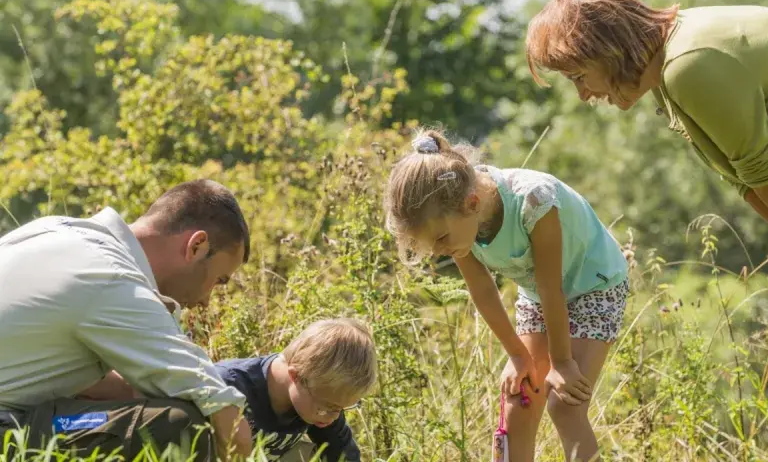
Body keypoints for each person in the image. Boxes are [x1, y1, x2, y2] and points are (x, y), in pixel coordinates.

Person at [383, 130, 630, 461]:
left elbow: (551, 287)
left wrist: (562, 362)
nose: (440, 251)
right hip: (540, 294)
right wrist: (517, 355)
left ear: (473, 204)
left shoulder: (534, 202)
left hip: (595, 284)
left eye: (441, 239)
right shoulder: (458, 221)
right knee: (519, 398)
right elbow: (483, 289)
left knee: (565, 405)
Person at [526, 0, 768, 259]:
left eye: (578, 77)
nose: (583, 95)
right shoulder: (664, 76)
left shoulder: (687, 65)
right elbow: (751, 183)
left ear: (608, 50)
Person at [0, 179, 253, 460]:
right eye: (218, 280)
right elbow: (227, 420)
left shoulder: (53, 230)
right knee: (178, 424)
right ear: (197, 246)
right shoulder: (113, 279)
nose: (206, 301)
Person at [215, 318, 376, 461]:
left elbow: (343, 454)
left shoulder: (319, 399)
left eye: (340, 409)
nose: (333, 417)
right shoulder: (225, 385)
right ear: (296, 376)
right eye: (329, 407)